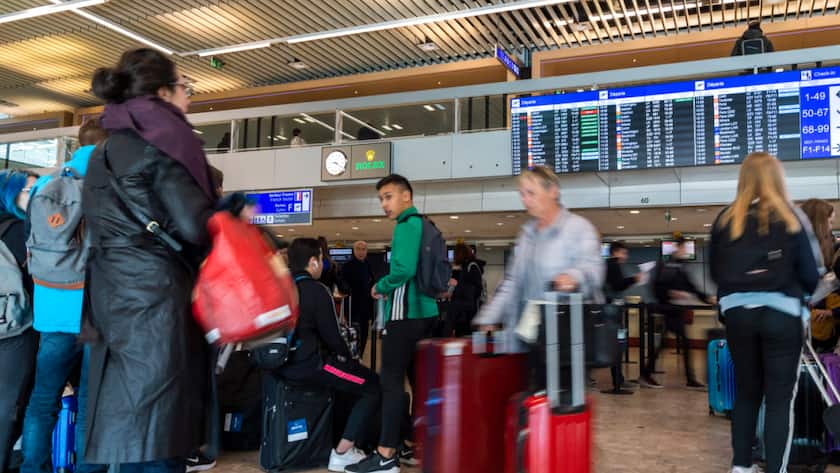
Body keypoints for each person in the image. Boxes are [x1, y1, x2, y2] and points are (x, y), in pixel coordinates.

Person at [82, 48, 217, 473]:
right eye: (185, 88)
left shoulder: (103, 152)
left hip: (110, 300)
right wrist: (229, 213)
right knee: (161, 429)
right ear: (162, 92)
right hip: (157, 302)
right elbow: (195, 228)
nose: (188, 98)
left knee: (129, 431)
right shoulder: (165, 144)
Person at [709, 152, 822, 473]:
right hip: (782, 314)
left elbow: (717, 273)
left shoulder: (725, 219)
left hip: (738, 316)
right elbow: (812, 275)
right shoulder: (792, 216)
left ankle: (741, 467)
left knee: (747, 393)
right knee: (779, 399)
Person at [20, 120, 109, 473]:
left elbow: (32, 247)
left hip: (51, 307)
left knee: (42, 400)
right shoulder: (107, 186)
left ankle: (32, 468)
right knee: (90, 403)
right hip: (93, 312)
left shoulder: (44, 185)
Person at [346, 175, 439, 473]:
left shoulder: (406, 226)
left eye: (388, 197)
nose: (384, 204)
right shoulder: (425, 225)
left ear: (406, 196)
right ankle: (415, 443)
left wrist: (380, 286)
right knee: (417, 380)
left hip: (406, 315)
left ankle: (386, 453)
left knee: (391, 381)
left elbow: (403, 269)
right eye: (381, 199)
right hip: (426, 313)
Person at [474, 165, 604, 353]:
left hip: (567, 337)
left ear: (552, 191)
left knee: (560, 382)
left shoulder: (578, 228)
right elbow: (511, 283)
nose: (525, 200)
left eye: (531, 193)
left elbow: (593, 269)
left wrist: (574, 277)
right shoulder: (526, 236)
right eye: (522, 194)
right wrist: (489, 317)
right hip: (530, 336)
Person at [282, 238, 381, 473]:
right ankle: (342, 453)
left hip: (284, 364)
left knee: (350, 380)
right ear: (313, 262)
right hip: (312, 365)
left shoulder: (281, 288)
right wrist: (350, 358)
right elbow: (333, 338)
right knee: (372, 385)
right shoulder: (317, 290)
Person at [0, 170, 39, 473]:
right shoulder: (20, 231)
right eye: (28, 190)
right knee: (9, 407)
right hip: (14, 331)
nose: (35, 195)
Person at [640, 237, 711, 390]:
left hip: (677, 310)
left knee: (675, 344)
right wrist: (671, 294)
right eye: (684, 248)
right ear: (677, 248)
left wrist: (707, 298)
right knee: (677, 343)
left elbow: (690, 287)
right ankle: (648, 375)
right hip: (670, 309)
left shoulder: (681, 266)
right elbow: (657, 287)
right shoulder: (666, 265)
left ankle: (648, 374)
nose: (686, 251)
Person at [801, 199, 839, 351]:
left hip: (829, 332)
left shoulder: (835, 251)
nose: (831, 230)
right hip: (810, 331)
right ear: (820, 225)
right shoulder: (802, 253)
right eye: (830, 223)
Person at [603, 241, 641, 395]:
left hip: (611, 308)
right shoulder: (612, 265)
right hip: (612, 309)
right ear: (616, 252)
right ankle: (617, 382)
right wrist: (634, 279)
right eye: (624, 253)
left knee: (617, 344)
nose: (625, 256)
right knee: (616, 345)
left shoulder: (609, 266)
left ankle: (619, 379)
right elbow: (618, 285)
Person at [339, 241, 375, 356]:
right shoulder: (347, 267)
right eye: (358, 249)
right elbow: (342, 286)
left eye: (363, 249)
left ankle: (360, 357)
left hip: (365, 308)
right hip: (352, 309)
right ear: (354, 250)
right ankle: (354, 359)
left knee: (364, 335)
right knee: (354, 337)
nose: (361, 252)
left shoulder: (368, 265)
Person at [443, 243, 483, 338]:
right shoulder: (468, 267)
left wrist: (457, 285)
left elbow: (472, 291)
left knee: (465, 339)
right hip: (466, 313)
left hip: (466, 314)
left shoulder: (471, 267)